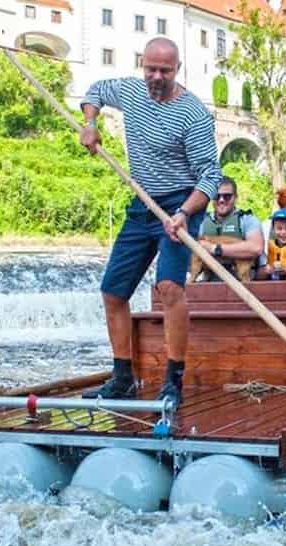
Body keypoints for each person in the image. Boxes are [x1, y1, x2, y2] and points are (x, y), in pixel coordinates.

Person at [78, 38, 221, 406]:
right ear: (143, 66)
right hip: (143, 203)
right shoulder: (130, 91)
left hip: (181, 202)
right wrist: (90, 123)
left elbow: (210, 176)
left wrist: (185, 213)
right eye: (151, 69)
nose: (156, 77)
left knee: (170, 288)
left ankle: (173, 380)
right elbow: (94, 91)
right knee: (113, 291)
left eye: (165, 71)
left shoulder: (194, 114)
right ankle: (122, 376)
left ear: (177, 70)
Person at [193, 176, 264, 282]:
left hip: (243, 283)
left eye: (227, 196)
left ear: (235, 197)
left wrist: (214, 248)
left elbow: (256, 248)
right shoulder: (202, 222)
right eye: (217, 196)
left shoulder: (247, 219)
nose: (221, 200)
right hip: (210, 283)